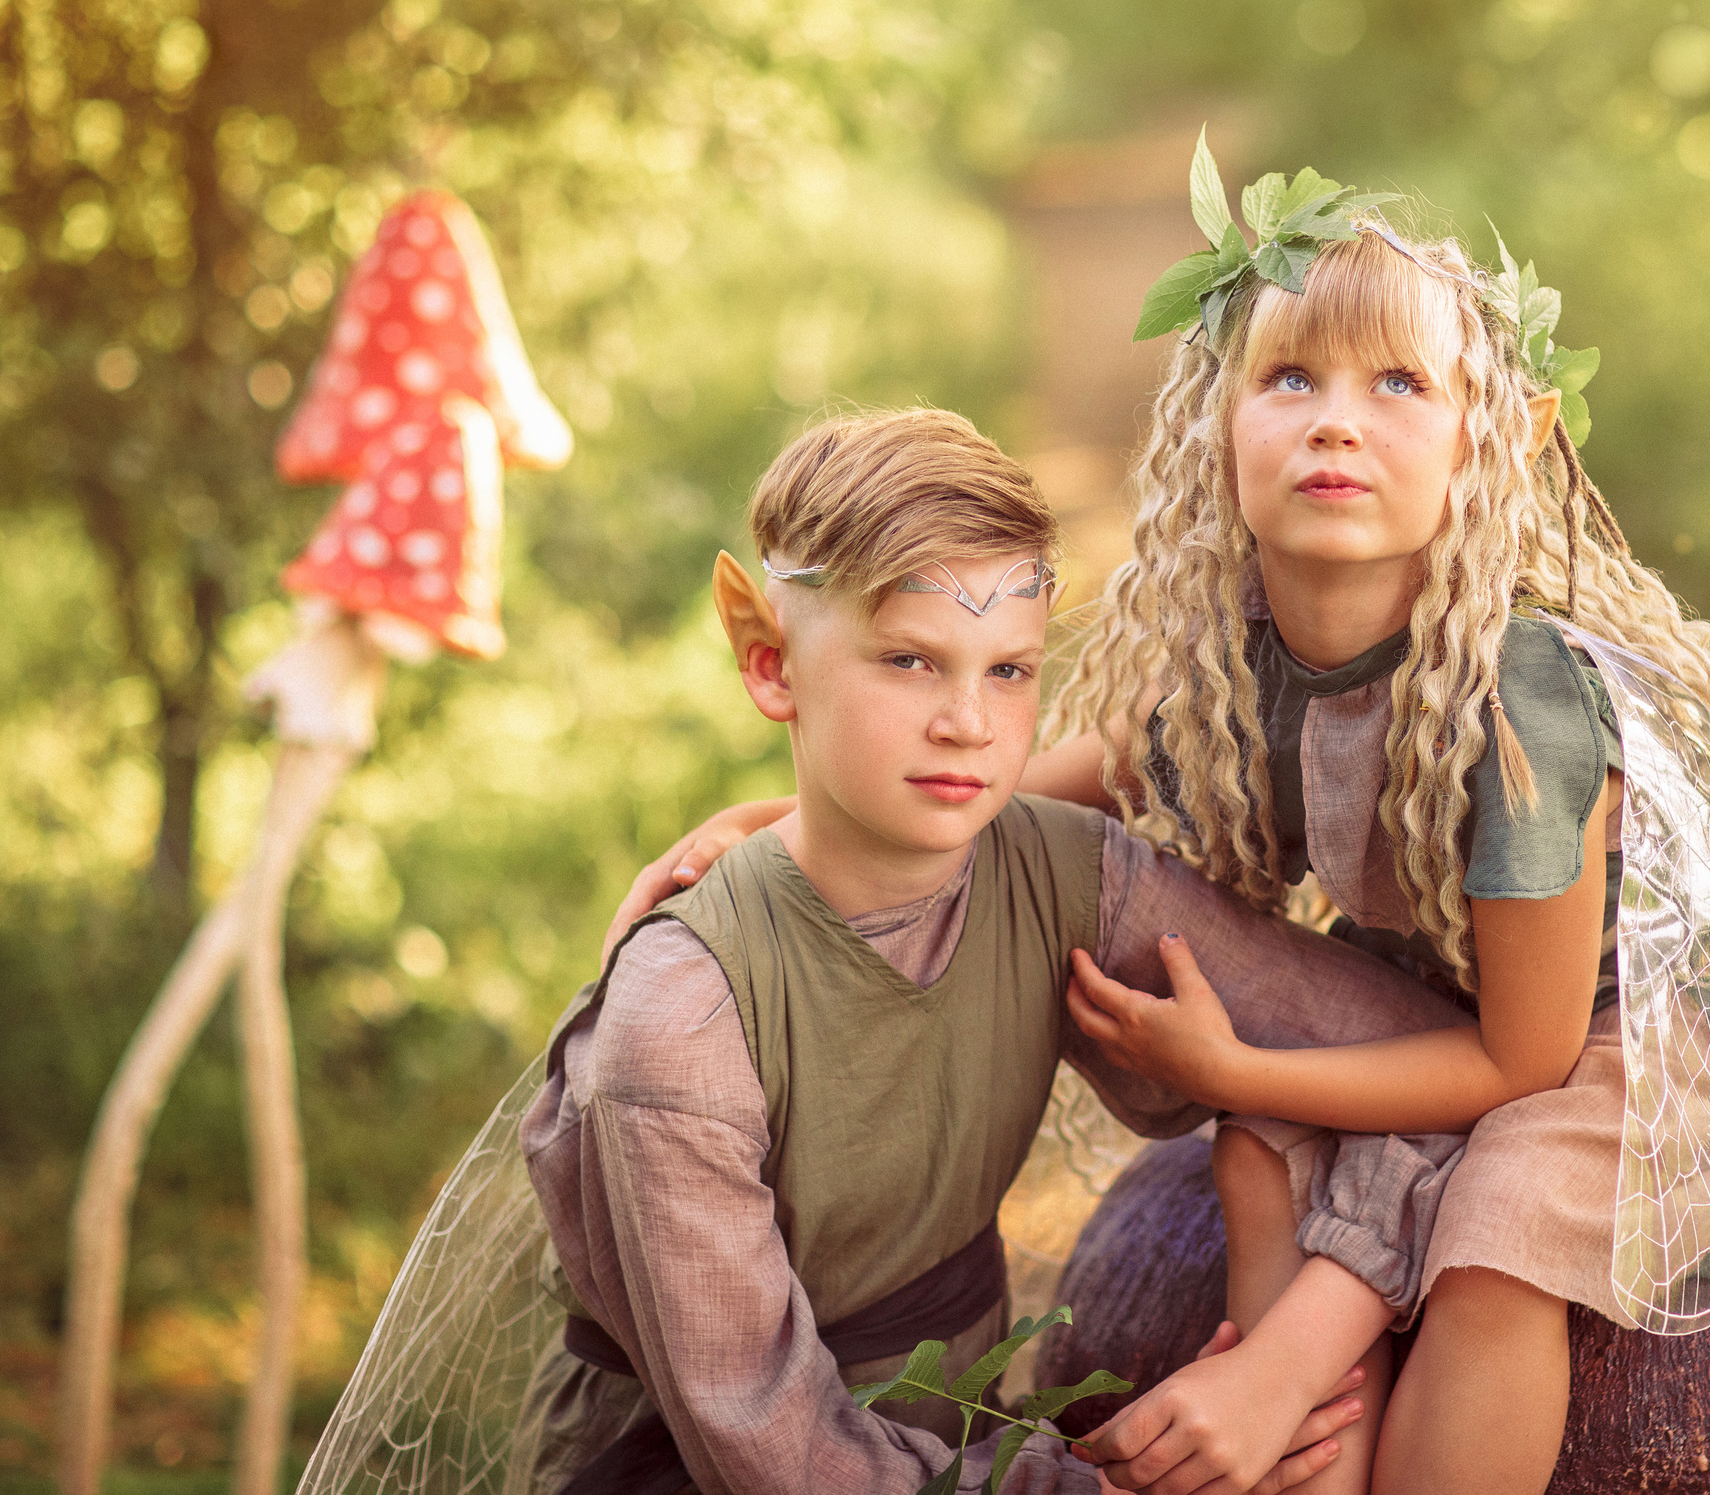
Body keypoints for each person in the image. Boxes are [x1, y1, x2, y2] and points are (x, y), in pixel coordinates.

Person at [628, 153, 1710, 1495]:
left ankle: (1290, 1377)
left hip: (1652, 1016)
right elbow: (1060, 778)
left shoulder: (1525, 701)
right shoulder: (1233, 656)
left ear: (1504, 438)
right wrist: (774, 815)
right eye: (1291, 379)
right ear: (1217, 422)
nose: (1337, 424)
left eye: (1401, 386)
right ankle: (1299, 1440)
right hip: (1468, 998)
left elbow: (1523, 1061)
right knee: (1260, 1155)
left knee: (1495, 1234)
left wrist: (1237, 1070)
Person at [516, 407, 1479, 1495]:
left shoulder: (1065, 873)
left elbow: (1419, 1060)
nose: (967, 723)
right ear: (771, 664)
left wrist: (1282, 1364)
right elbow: (774, 1449)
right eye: (910, 660)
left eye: (1010, 671)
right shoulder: (681, 1018)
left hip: (963, 1424)